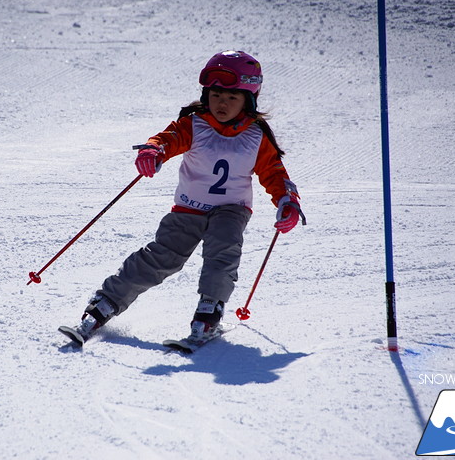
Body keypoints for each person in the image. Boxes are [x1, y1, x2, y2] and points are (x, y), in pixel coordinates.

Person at [60, 50, 305, 346]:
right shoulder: (194, 124)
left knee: (222, 251)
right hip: (188, 208)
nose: (221, 103)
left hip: (232, 209)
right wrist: (153, 151)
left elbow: (275, 174)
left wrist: (287, 202)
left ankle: (208, 313)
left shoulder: (256, 136)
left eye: (231, 97)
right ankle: (104, 305)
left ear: (248, 99)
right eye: (215, 95)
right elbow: (167, 139)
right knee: (162, 257)